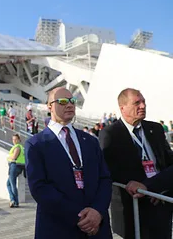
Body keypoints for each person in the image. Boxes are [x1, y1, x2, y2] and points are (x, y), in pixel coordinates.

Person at [25, 87, 112, 238]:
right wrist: (81, 217)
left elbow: (104, 179)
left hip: (97, 227)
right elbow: (39, 188)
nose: (70, 105)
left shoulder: (90, 141)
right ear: (49, 106)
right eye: (63, 101)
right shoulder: (36, 144)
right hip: (59, 228)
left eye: (72, 101)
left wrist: (97, 211)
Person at [99, 88, 173, 239]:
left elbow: (168, 162)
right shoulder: (110, 134)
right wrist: (147, 188)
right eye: (137, 103)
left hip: (161, 203)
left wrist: (158, 187)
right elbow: (111, 170)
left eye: (144, 101)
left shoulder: (155, 129)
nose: (143, 106)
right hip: (133, 208)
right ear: (122, 108)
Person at [6, 134, 25, 208]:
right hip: (17, 166)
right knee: (9, 184)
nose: (14, 141)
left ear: (19, 140)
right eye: (13, 139)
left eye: (15, 139)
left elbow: (14, 157)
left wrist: (9, 157)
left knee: (12, 184)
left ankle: (15, 201)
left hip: (15, 166)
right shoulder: (20, 147)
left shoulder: (17, 147)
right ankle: (13, 200)